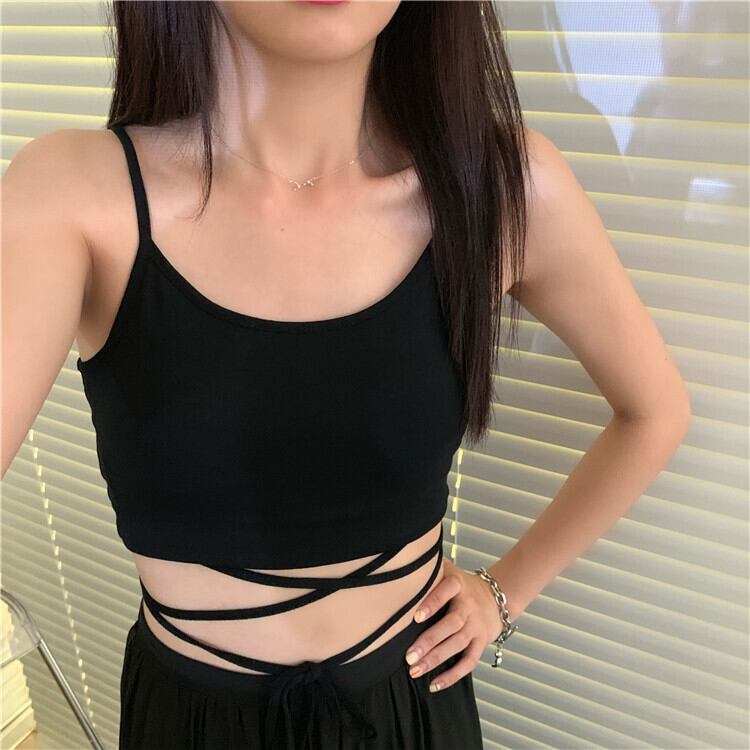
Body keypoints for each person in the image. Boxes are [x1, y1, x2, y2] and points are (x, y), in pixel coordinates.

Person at [1, 2, 691, 749]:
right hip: (191, 722)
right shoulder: (73, 196)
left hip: (413, 710)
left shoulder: (501, 186)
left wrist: (504, 591)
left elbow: (654, 411)